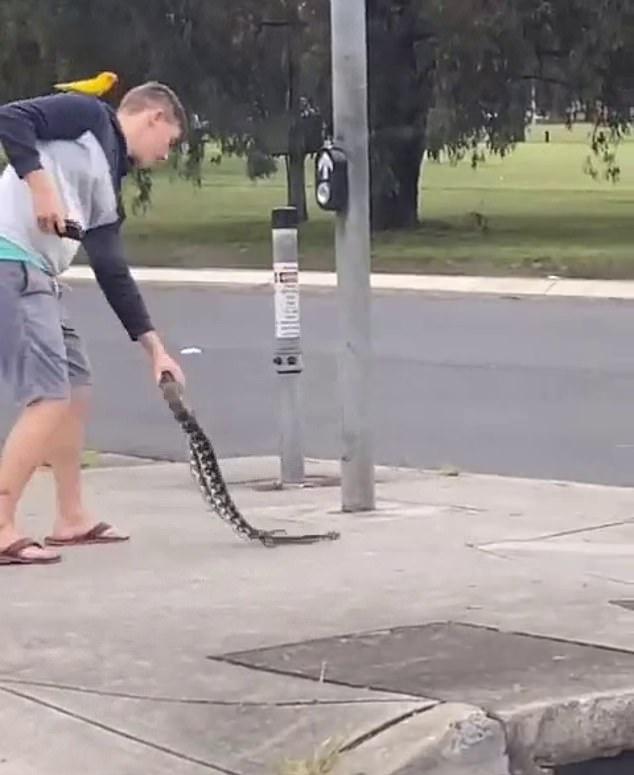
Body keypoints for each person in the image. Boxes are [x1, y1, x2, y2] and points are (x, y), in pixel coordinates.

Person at [0, 81, 187, 566]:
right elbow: (11, 117)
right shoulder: (88, 116)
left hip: (38, 273)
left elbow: (112, 271)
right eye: (170, 142)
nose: (165, 156)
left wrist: (155, 350)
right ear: (153, 118)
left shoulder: (107, 181)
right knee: (49, 396)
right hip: (11, 263)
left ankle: (71, 516)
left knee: (76, 387)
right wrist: (40, 188)